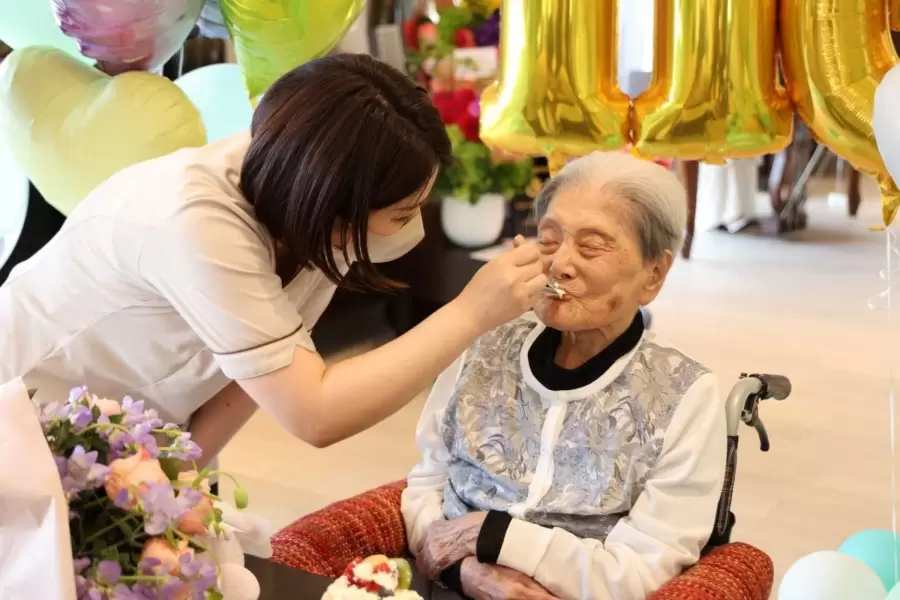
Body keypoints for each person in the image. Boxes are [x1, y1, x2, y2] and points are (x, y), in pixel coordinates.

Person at [0, 54, 548, 467]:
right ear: (334, 208)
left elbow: (255, 377)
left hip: (131, 433)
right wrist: (470, 313)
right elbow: (314, 412)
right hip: (26, 413)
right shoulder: (194, 221)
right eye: (402, 214)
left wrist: (176, 483)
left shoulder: (313, 208)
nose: (412, 226)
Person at [401, 152, 725, 600]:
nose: (559, 264)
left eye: (592, 246)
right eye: (549, 240)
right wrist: (465, 572)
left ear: (654, 274)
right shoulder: (483, 342)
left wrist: (498, 535)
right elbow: (427, 480)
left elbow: (644, 569)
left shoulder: (685, 394)